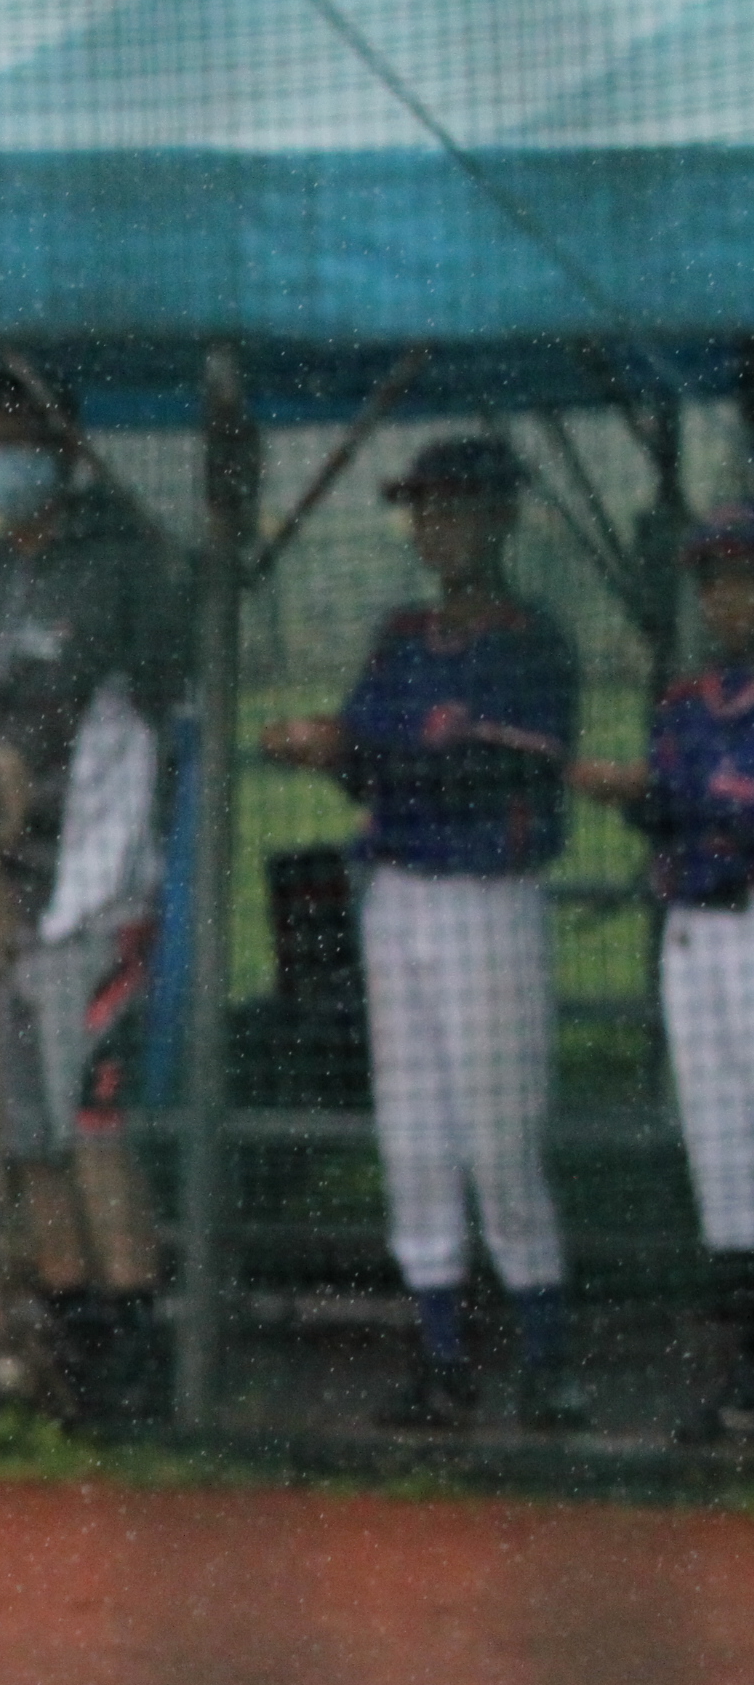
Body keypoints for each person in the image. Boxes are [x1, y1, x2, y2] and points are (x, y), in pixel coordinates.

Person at [261, 436, 580, 1433]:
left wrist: (361, 752)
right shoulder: (401, 637)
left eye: (460, 507)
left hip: (488, 901)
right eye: (428, 510)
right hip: (398, 895)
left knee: (501, 1139)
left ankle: (547, 1364)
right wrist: (328, 751)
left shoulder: (532, 641)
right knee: (414, 1139)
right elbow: (368, 768)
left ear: (502, 517)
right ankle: (442, 1362)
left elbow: (496, 772)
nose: (439, 527)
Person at [0, 362, 184, 1425]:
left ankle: (138, 1350)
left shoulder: (123, 564)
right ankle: (71, 1346)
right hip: (4, 893)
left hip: (94, 891)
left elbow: (166, 684)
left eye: (15, 437)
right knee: (25, 1138)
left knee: (92, 1127)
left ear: (63, 446)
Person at [571, 501, 754, 1446]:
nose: (726, 596)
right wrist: (636, 799)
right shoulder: (687, 701)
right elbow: (677, 811)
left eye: (740, 575)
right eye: (713, 580)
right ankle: (742, 1377)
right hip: (695, 934)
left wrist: (666, 795)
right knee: (722, 1155)